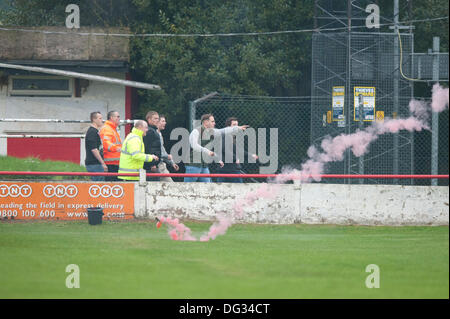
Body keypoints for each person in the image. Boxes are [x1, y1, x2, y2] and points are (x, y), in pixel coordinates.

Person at [184, 113, 248, 182]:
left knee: (208, 187)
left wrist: (237, 128)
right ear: (205, 122)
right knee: (188, 186)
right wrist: (207, 151)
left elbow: (223, 131)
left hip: (204, 165)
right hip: (193, 165)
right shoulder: (196, 131)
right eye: (212, 121)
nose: (214, 123)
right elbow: (194, 145)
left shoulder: (212, 132)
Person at [216, 117, 258, 183]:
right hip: (226, 170)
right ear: (228, 127)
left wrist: (250, 155)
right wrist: (235, 158)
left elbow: (238, 150)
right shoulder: (224, 135)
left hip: (233, 169)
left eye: (237, 125)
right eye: (234, 125)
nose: (237, 127)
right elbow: (224, 148)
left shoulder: (233, 137)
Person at [84, 111, 108, 182]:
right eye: (100, 118)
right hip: (94, 164)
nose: (102, 120)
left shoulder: (95, 131)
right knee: (97, 186)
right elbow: (94, 149)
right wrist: (103, 163)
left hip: (95, 164)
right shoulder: (92, 132)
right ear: (94, 119)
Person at [99, 110, 122, 181]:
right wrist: (118, 149)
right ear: (111, 117)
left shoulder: (112, 129)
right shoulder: (107, 129)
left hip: (114, 162)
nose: (119, 118)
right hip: (111, 163)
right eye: (117, 117)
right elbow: (106, 143)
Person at [157, 115, 179, 182]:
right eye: (163, 121)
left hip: (160, 164)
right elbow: (158, 151)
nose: (165, 123)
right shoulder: (155, 134)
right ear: (157, 122)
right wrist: (167, 156)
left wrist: (171, 162)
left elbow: (162, 149)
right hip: (158, 165)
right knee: (170, 185)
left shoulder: (159, 134)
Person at [143, 111, 162, 181]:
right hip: (150, 166)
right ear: (149, 119)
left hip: (152, 164)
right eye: (155, 118)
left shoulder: (153, 130)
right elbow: (147, 148)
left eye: (158, 118)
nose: (157, 120)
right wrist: (152, 164)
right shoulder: (150, 131)